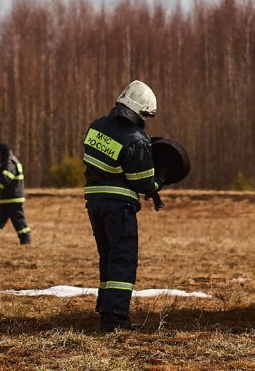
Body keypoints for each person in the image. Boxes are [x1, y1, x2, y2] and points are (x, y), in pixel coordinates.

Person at [83, 79, 164, 333]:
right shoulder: (135, 138)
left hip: (95, 202)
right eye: (144, 115)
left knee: (108, 256)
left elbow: (91, 158)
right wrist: (158, 183)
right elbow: (142, 182)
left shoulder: (97, 126)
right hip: (119, 206)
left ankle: (106, 310)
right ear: (138, 111)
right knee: (123, 259)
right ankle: (115, 320)